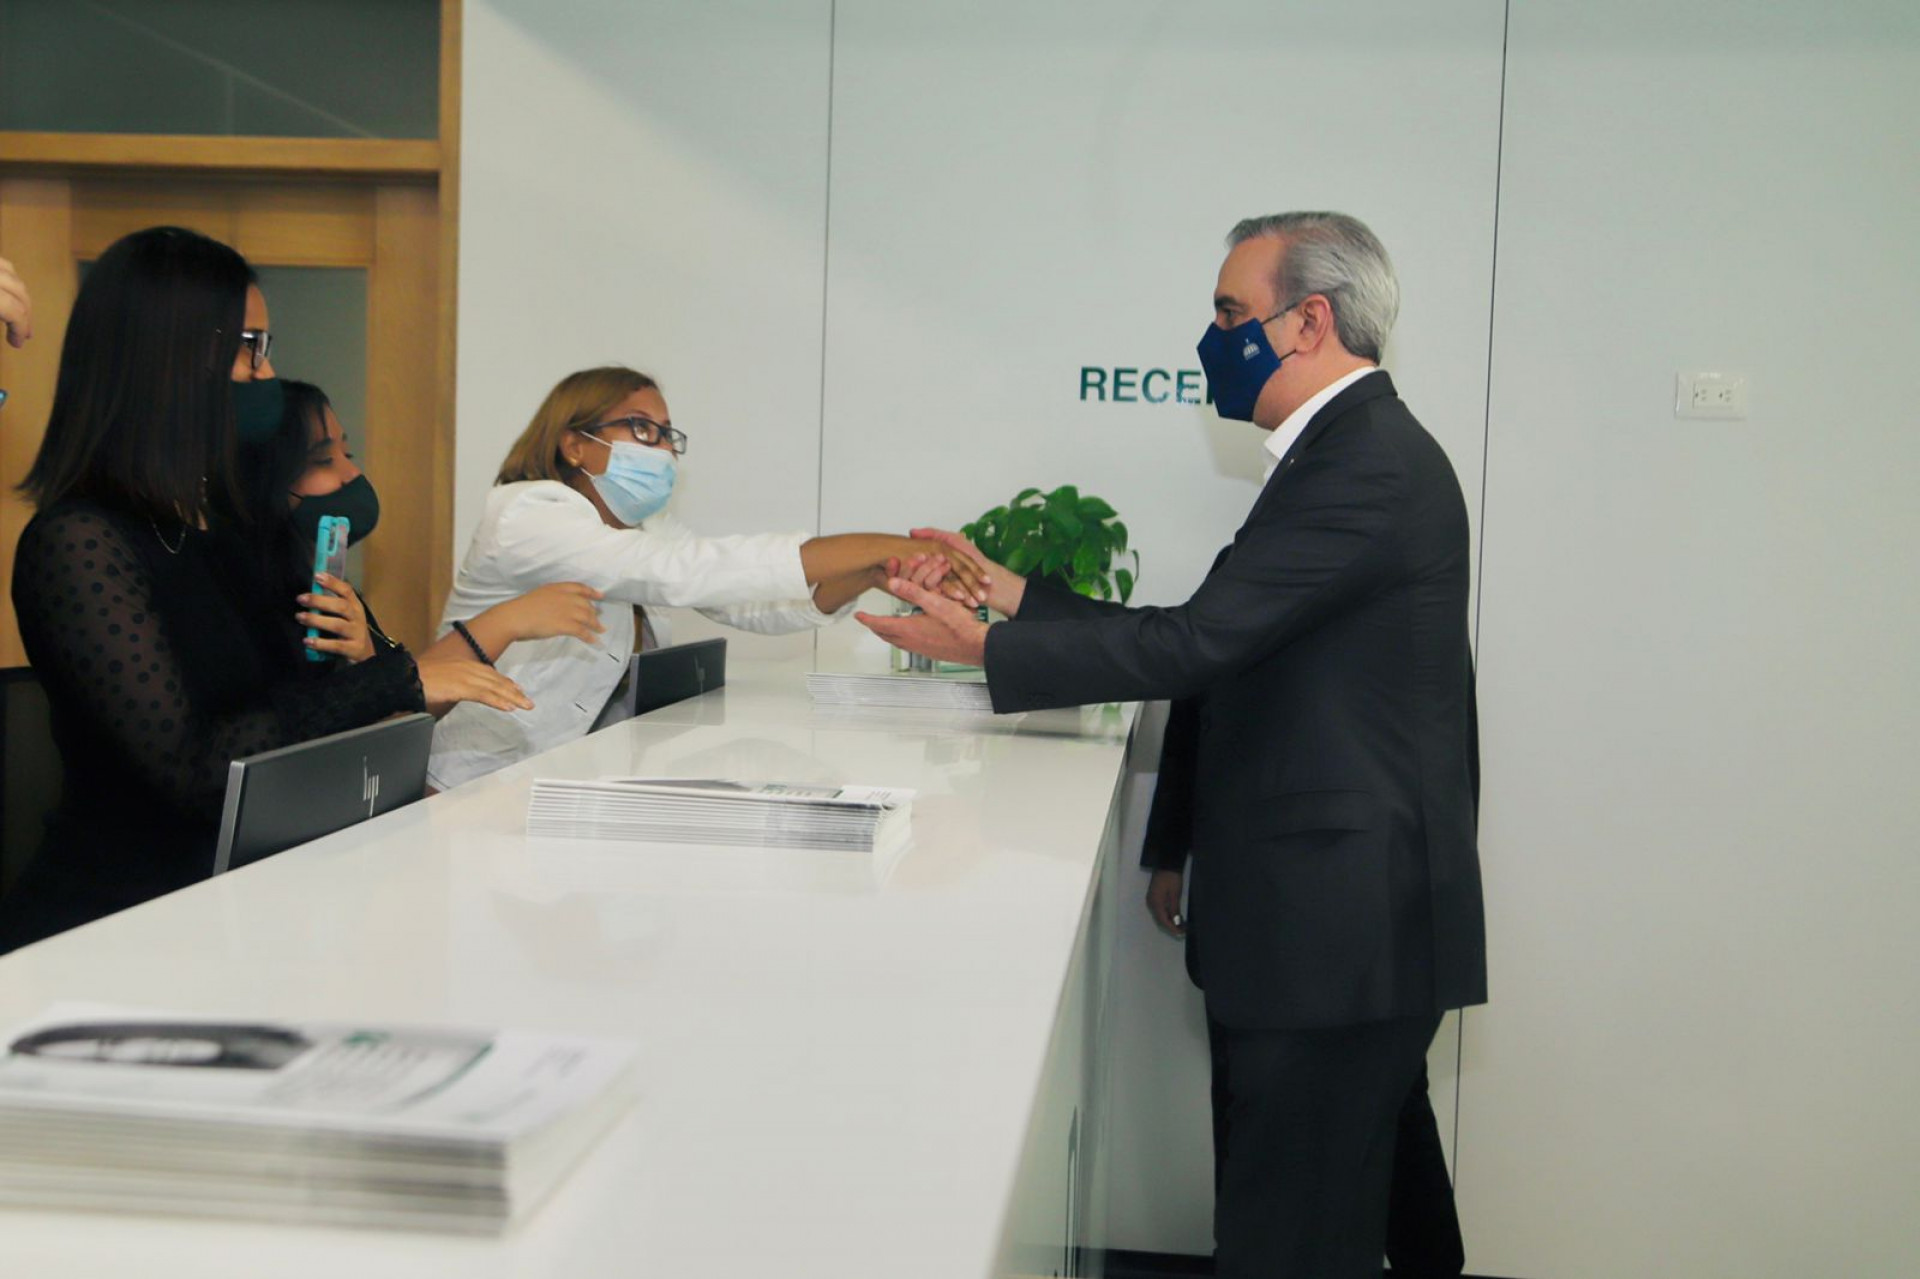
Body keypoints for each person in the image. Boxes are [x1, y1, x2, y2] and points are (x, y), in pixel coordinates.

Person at [862, 212, 1485, 1279]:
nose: (1212, 338)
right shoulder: (1342, 454)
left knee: (1290, 1242)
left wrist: (989, 649)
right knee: (1362, 1201)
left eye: (1232, 313)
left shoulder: (1365, 463)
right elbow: (1219, 640)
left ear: (1310, 322)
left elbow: (1198, 645)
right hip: (1340, 929)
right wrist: (1011, 593)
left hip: (1336, 934)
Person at [0, 227, 508, 953]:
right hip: (121, 931)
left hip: (260, 910)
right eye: (249, 348)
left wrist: (374, 663)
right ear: (169, 360)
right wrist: (397, 681)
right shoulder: (80, 541)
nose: (267, 373)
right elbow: (195, 769)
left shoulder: (237, 523)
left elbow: (313, 706)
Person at [427, 365, 986, 789]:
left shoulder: (643, 528)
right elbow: (687, 574)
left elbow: (748, 603)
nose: (663, 449)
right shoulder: (529, 515)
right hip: (482, 780)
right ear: (574, 444)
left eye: (667, 434)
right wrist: (884, 543)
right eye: (642, 428)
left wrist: (867, 571)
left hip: (574, 776)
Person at [246, 380, 609, 698]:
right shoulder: (247, 606)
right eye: (324, 459)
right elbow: (290, 723)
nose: (352, 472)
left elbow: (395, 706)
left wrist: (366, 658)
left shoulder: (334, 595)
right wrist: (507, 621)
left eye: (348, 454)